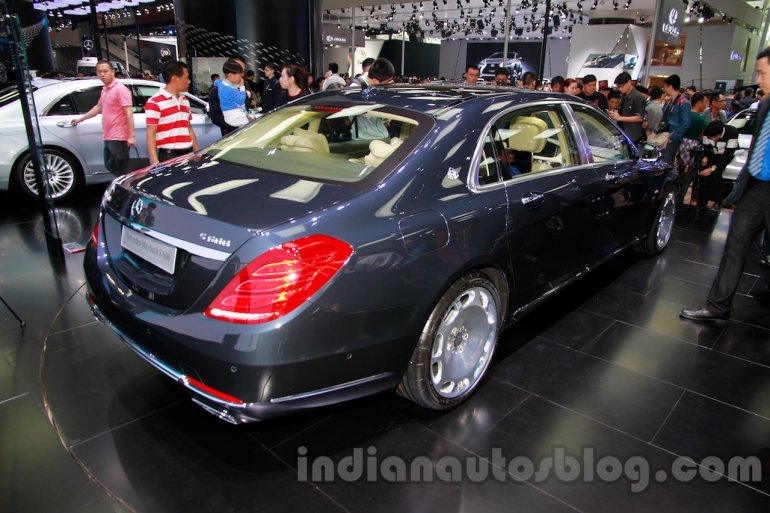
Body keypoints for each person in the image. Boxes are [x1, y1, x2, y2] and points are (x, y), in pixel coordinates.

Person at [680, 47, 770, 323]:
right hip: (755, 185)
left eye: (763, 72)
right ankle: (717, 306)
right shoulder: (764, 104)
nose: (759, 78)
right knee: (735, 245)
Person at [71, 59, 136, 175]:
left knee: (121, 169)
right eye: (99, 71)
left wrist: (131, 136)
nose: (102, 74)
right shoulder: (105, 89)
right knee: (111, 165)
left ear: (112, 71)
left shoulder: (120, 89)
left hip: (119, 137)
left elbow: (129, 112)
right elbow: (98, 107)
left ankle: (125, 189)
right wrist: (81, 119)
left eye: (105, 71)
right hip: (109, 135)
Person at [145, 60, 200, 165]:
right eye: (186, 77)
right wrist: (154, 160)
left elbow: (188, 127)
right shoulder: (154, 102)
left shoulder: (185, 100)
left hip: (188, 154)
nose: (189, 81)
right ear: (175, 78)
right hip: (168, 156)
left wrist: (196, 150)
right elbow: (150, 133)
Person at [696, 120, 739, 210]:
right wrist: (705, 157)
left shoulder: (732, 132)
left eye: (716, 137)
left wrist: (713, 168)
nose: (713, 139)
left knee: (716, 174)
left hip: (725, 156)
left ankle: (718, 201)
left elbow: (728, 154)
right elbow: (706, 147)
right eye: (711, 137)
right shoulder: (707, 132)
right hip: (712, 154)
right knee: (703, 174)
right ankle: (702, 202)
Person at [660, 74, 692, 163]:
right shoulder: (670, 101)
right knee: (661, 159)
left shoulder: (683, 102)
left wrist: (673, 136)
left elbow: (686, 122)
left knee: (666, 161)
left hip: (673, 136)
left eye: (665, 86)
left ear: (670, 86)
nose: (664, 89)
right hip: (666, 134)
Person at [609, 72, 646, 145]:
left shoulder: (638, 97)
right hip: (623, 133)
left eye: (622, 86)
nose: (620, 89)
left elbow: (640, 117)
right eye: (618, 86)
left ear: (629, 82)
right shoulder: (623, 95)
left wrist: (620, 118)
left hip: (633, 136)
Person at [213, 59, 251, 128]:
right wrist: (242, 87)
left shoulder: (222, 84)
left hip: (230, 116)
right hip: (235, 116)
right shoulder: (230, 89)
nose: (241, 77)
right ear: (230, 75)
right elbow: (241, 100)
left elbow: (216, 82)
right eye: (239, 74)